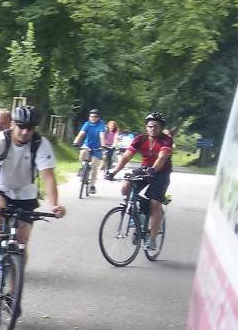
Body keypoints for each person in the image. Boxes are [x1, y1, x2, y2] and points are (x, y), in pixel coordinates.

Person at [0, 104, 67, 275]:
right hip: (1, 188)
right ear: (12, 124)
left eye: (30, 128)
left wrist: (54, 205)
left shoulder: (40, 144)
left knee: (21, 244)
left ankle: (14, 287)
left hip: (26, 193)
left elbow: (48, 177)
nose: (25, 132)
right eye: (21, 126)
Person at [105, 111, 174, 253]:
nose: (152, 129)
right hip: (144, 169)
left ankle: (152, 238)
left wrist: (153, 169)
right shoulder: (140, 139)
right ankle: (138, 216)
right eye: (150, 126)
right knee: (125, 187)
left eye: (156, 126)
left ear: (161, 128)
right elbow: (126, 157)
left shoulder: (166, 140)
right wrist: (114, 172)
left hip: (161, 172)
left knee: (155, 203)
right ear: (146, 127)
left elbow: (162, 157)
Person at [72, 108, 109, 193]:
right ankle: (82, 168)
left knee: (94, 167)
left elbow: (102, 135)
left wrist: (103, 145)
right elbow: (81, 133)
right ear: (89, 117)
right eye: (91, 116)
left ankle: (92, 185)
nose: (93, 118)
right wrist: (76, 142)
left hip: (97, 147)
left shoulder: (101, 125)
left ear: (98, 118)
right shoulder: (87, 124)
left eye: (95, 117)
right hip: (87, 145)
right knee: (82, 152)